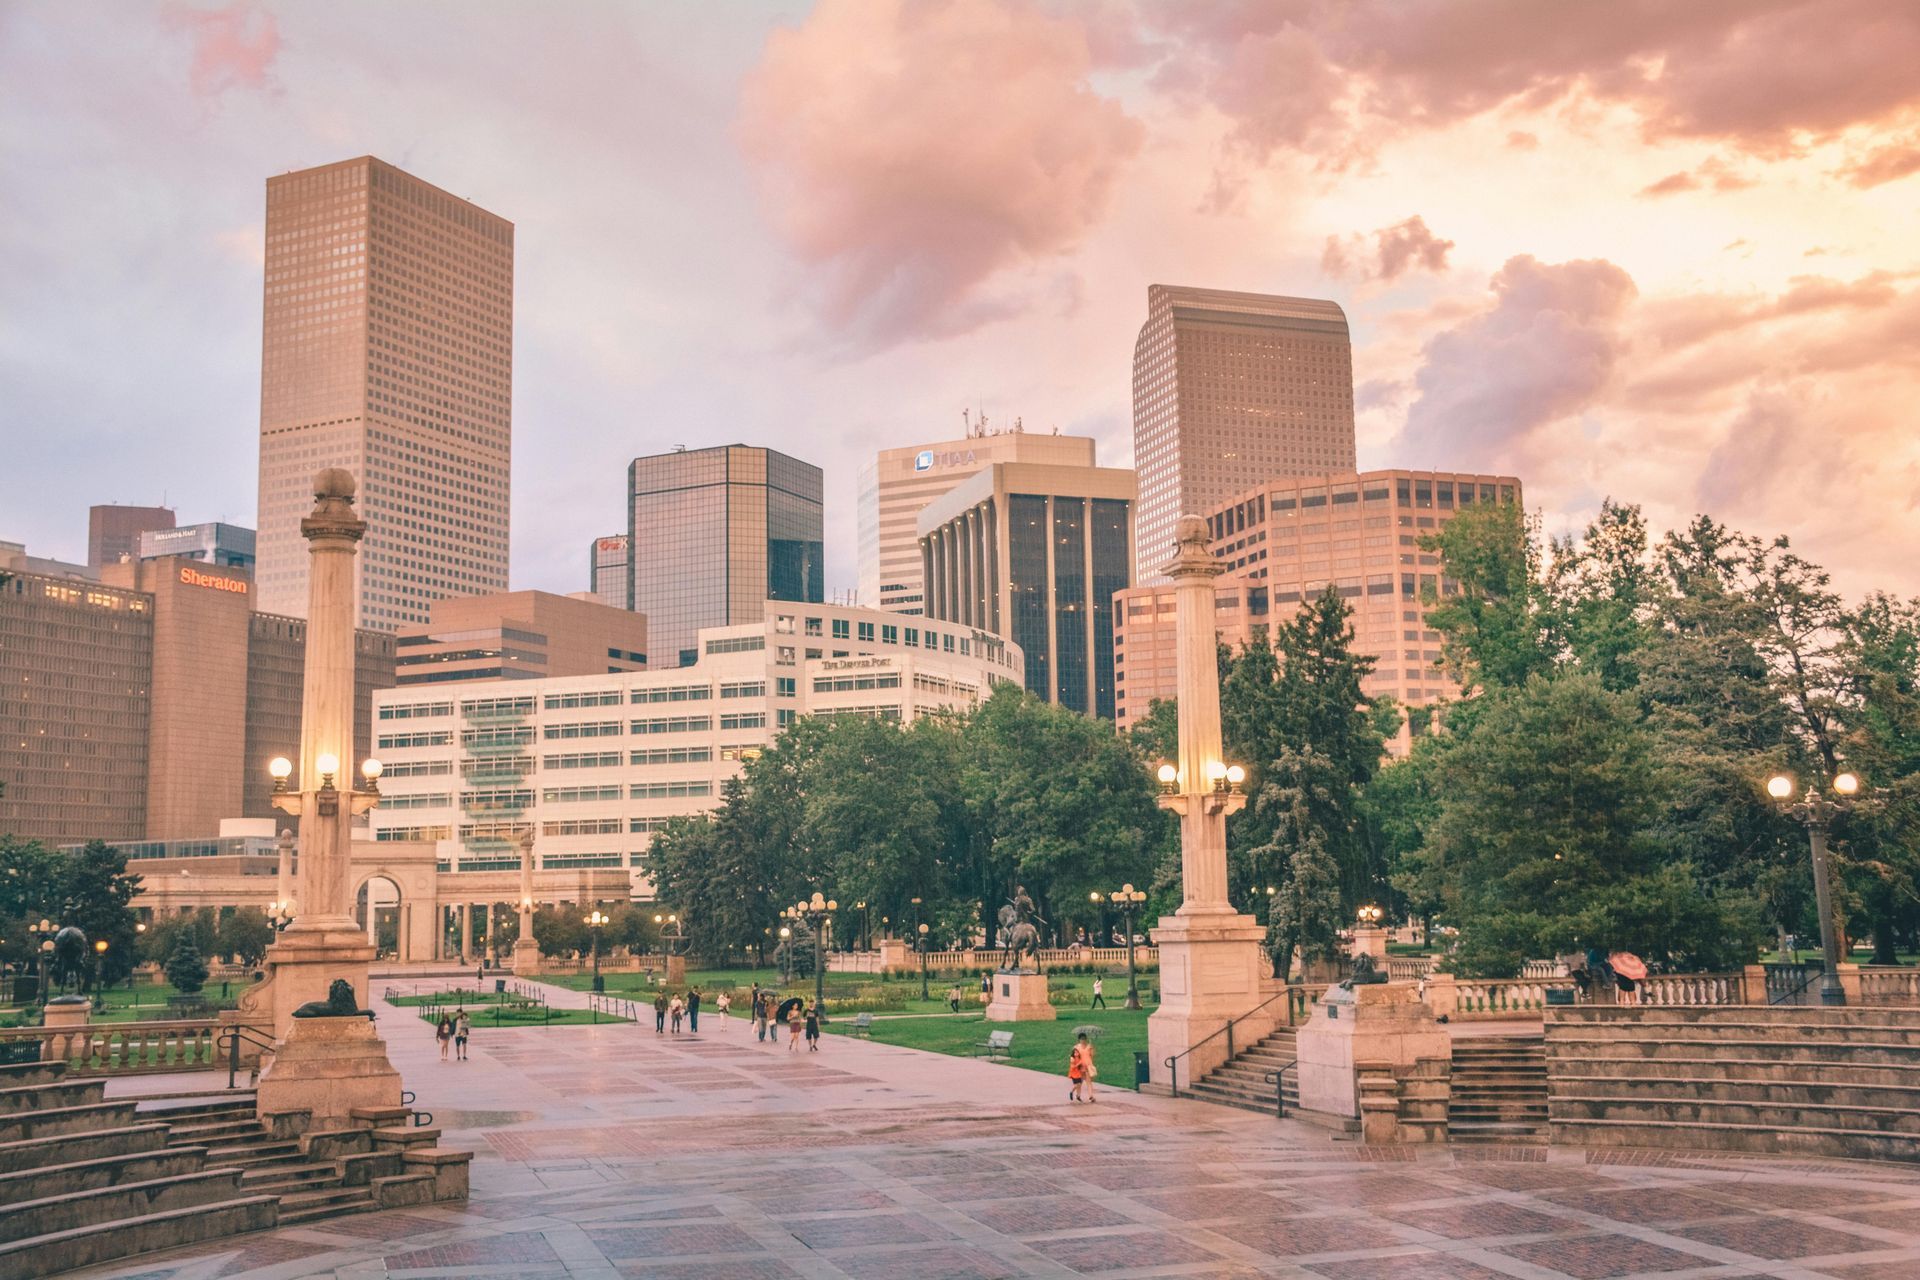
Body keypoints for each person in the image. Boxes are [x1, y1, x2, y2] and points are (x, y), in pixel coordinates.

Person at [1067, 1031, 1096, 1102]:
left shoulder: (1089, 1046)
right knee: (1079, 1083)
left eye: (1084, 1039)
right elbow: (1073, 1056)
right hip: (1079, 1067)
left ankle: (1090, 1096)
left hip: (1087, 1067)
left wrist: (1092, 1049)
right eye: (1082, 1039)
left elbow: (1092, 1055)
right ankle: (1077, 1095)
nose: (1083, 1040)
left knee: (1088, 1082)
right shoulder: (1076, 1047)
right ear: (1079, 1039)